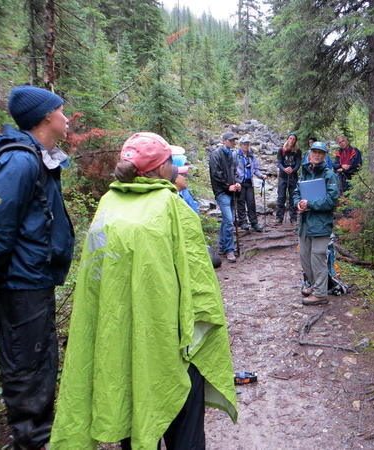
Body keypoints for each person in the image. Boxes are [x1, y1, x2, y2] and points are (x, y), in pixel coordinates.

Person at [50, 132, 237, 449]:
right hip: (171, 347)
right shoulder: (171, 206)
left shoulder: (108, 204)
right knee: (185, 433)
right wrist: (205, 335)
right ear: (164, 167)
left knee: (133, 419)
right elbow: (200, 287)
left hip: (120, 345)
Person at [0, 85, 75, 449]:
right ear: (46, 117)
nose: (66, 116)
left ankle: (38, 436)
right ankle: (30, 439)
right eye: (61, 110)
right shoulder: (20, 160)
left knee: (41, 361)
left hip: (34, 279)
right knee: (27, 365)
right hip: (19, 284)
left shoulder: (37, 156)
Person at [294, 141, 339, 306]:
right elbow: (297, 192)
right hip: (305, 222)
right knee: (305, 257)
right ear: (310, 153)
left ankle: (320, 294)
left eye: (321, 153)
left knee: (318, 257)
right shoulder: (305, 172)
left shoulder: (329, 175)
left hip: (321, 223)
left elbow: (331, 200)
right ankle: (315, 286)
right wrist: (298, 203)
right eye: (315, 152)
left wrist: (310, 204)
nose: (317, 155)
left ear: (325, 156)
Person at [209, 132, 241, 262]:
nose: (233, 142)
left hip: (232, 192)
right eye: (231, 140)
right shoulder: (216, 155)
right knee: (229, 220)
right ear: (224, 141)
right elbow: (216, 174)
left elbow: (236, 172)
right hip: (222, 192)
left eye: (234, 140)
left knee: (227, 220)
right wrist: (228, 186)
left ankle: (222, 246)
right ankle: (229, 250)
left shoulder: (232, 155)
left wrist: (238, 182)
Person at [236, 135, 266, 232]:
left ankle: (254, 222)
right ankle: (243, 222)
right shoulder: (235, 155)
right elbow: (232, 168)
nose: (246, 146)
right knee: (240, 202)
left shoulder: (251, 156)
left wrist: (261, 176)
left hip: (249, 182)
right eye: (244, 144)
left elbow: (255, 169)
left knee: (251, 202)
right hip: (240, 182)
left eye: (247, 144)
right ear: (240, 145)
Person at [275, 132, 301, 224]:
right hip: (283, 177)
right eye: (290, 138)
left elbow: (298, 163)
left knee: (293, 197)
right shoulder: (281, 150)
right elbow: (279, 162)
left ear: (295, 141)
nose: (292, 140)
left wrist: (292, 170)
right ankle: (279, 218)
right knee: (281, 197)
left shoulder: (297, 151)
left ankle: (293, 218)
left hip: (293, 177)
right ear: (287, 139)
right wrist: (284, 169)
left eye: (294, 139)